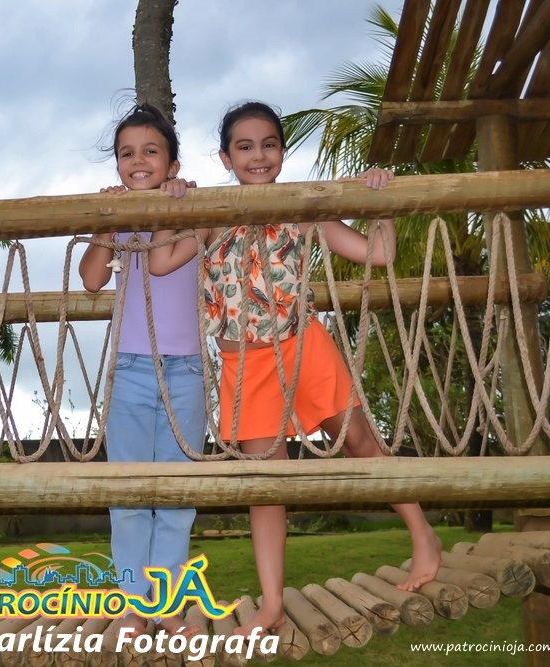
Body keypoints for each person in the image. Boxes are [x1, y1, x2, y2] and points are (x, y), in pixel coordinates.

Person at [148, 101, 441, 635]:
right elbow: (161, 261)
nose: (258, 155)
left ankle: (423, 536)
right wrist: (176, 202)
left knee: (359, 441)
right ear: (226, 157)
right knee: (267, 482)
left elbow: (377, 254)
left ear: (282, 152)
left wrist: (380, 202)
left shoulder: (304, 207)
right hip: (245, 364)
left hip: (303, 347)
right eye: (244, 146)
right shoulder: (210, 214)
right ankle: (272, 604)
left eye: (269, 144)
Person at [78, 103, 206, 638]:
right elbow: (91, 279)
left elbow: (166, 257)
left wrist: (179, 205)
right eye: (127, 153)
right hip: (130, 369)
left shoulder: (197, 212)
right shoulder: (120, 221)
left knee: (177, 495)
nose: (138, 161)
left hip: (186, 370)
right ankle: (133, 603)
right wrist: (107, 222)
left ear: (173, 165)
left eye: (151, 152)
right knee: (128, 495)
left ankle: (168, 604)